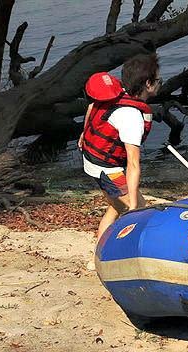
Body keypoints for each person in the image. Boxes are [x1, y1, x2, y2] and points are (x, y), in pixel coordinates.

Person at [79, 54, 162, 240]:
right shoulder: (131, 117)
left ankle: (98, 251)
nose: (159, 84)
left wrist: (85, 132)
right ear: (148, 84)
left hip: (92, 159)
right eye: (158, 80)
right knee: (140, 213)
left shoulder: (118, 92)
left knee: (114, 207)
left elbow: (92, 105)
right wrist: (133, 207)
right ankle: (114, 252)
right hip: (107, 170)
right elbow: (133, 163)